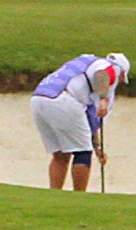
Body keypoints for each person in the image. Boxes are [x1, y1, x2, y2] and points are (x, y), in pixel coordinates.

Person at [32, 52, 129, 192]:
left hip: (39, 99)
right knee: (83, 152)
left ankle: (54, 195)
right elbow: (102, 74)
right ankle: (79, 197)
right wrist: (103, 99)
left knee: (60, 155)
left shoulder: (85, 61)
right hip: (63, 99)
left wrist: (98, 148)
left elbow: (90, 119)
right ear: (122, 74)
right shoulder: (112, 68)